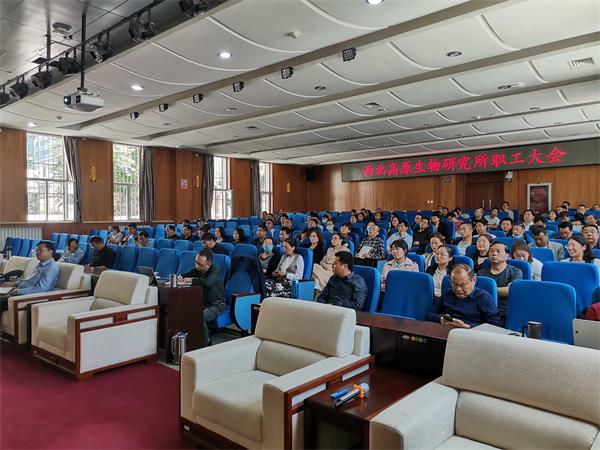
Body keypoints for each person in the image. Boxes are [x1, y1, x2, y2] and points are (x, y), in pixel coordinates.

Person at [426, 264, 501, 328]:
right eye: (455, 284)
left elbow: (495, 325)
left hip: (471, 335)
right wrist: (440, 319)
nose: (458, 289)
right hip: (446, 331)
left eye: (463, 285)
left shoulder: (483, 298)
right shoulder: (447, 294)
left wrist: (467, 326)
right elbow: (430, 314)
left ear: (473, 281)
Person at [178, 250, 225, 345]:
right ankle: (190, 340)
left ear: (208, 264)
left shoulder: (215, 269)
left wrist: (192, 280)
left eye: (200, 264)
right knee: (181, 312)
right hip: (202, 303)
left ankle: (206, 343)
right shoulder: (197, 270)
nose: (197, 265)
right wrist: (180, 277)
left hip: (216, 304)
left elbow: (208, 282)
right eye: (196, 262)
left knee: (199, 316)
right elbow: (184, 275)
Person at [477, 242, 523, 325]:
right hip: (483, 308)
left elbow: (509, 291)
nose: (494, 253)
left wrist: (487, 290)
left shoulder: (515, 272)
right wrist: (500, 290)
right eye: (491, 251)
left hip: (504, 311)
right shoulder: (481, 272)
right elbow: (476, 291)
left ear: (507, 256)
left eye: (498, 251)